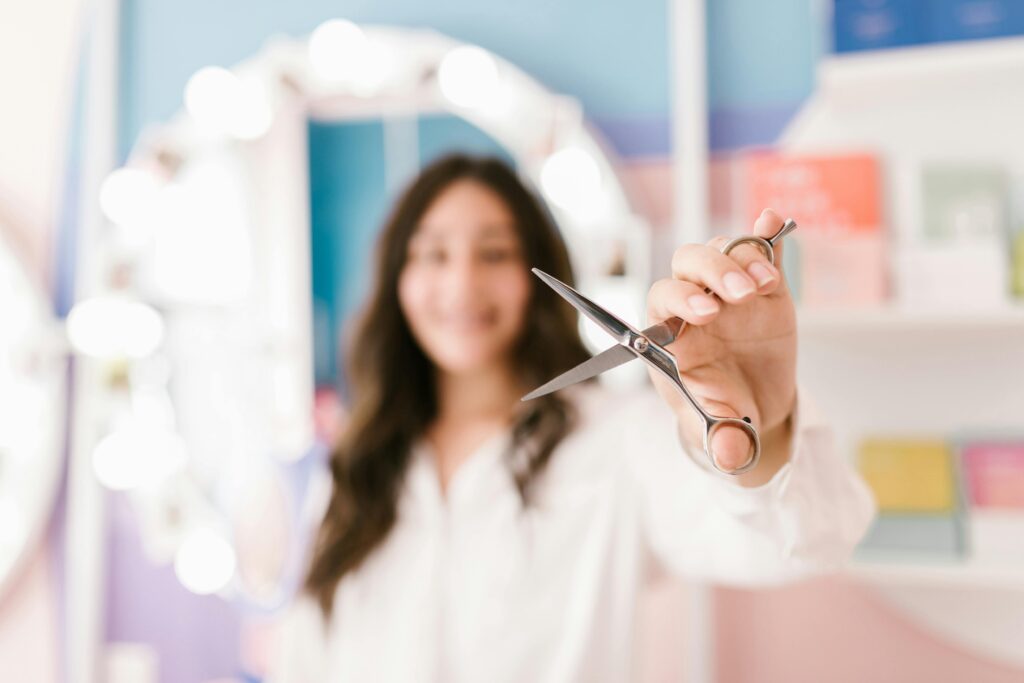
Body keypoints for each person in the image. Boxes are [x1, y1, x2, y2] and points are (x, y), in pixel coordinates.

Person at [268, 153, 875, 682]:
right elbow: (305, 660)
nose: (461, 282)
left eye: (495, 252)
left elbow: (800, 544)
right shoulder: (361, 461)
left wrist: (759, 429)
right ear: (397, 279)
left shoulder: (618, 438)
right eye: (431, 254)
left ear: (538, 274)